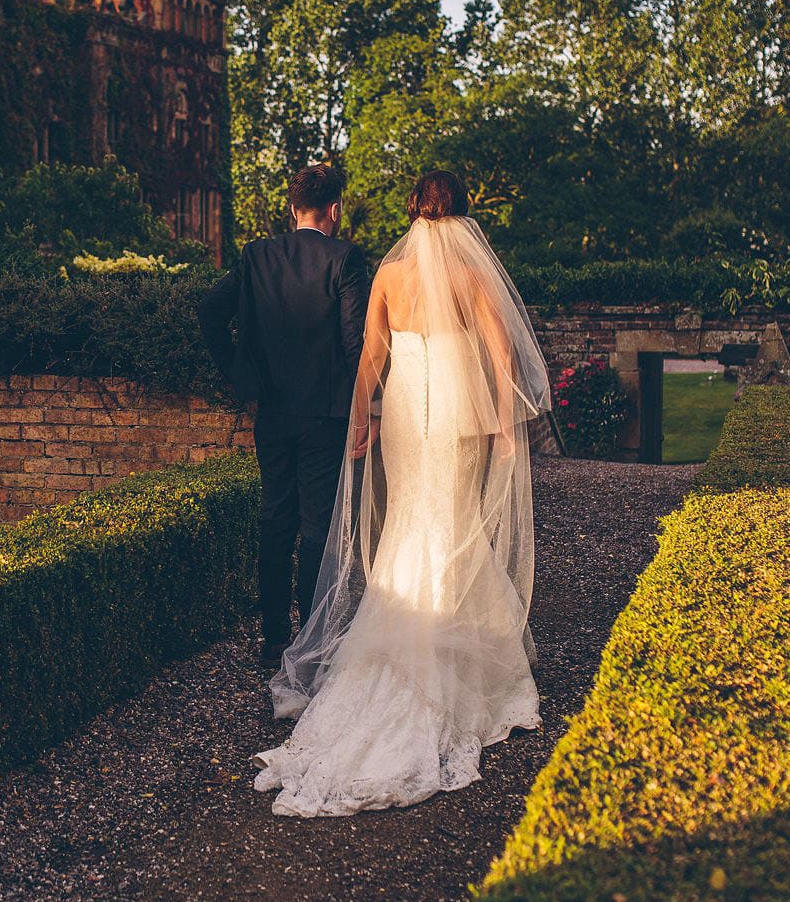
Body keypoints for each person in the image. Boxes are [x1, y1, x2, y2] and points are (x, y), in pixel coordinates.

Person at [252, 169, 553, 817]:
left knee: (412, 524)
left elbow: (369, 358)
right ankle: (455, 656)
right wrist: (505, 423)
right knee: (453, 520)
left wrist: (361, 419)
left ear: (412, 210)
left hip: (407, 417)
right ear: (463, 214)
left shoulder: (391, 272)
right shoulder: (472, 274)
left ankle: (408, 637)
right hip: (456, 413)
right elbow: (501, 356)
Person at [197, 163, 371, 670]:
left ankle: (274, 638)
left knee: (275, 519)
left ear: (292, 208)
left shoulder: (256, 256)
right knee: (317, 526)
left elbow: (210, 311)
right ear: (334, 210)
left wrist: (239, 375)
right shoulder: (346, 258)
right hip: (325, 413)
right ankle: (311, 641)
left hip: (271, 410)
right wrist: (368, 406)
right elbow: (356, 342)